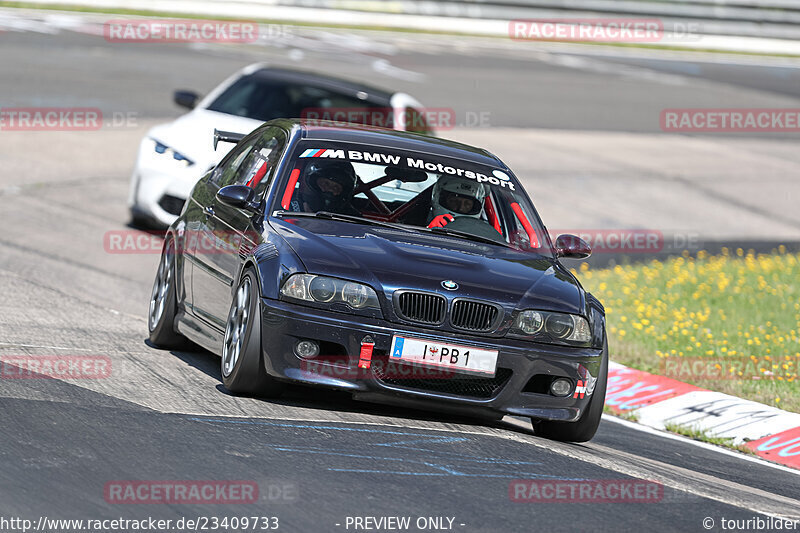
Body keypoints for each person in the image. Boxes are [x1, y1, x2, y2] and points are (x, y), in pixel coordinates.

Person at [291, 160, 359, 214]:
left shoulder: (351, 218)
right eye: (325, 184)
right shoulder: (288, 205)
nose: (329, 189)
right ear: (313, 183)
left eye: (336, 188)